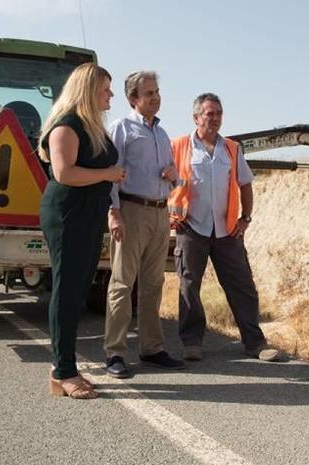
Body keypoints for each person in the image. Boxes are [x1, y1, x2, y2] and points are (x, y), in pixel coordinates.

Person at [169, 93, 281, 363]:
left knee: (242, 285)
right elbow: (163, 179)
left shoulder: (231, 148)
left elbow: (245, 184)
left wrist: (246, 218)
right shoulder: (179, 145)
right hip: (191, 228)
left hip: (227, 231)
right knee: (189, 286)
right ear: (196, 118)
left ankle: (255, 343)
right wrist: (169, 213)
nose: (216, 118)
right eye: (210, 114)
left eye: (219, 113)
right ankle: (192, 342)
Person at [38, 63, 126, 399]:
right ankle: (62, 372)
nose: (111, 95)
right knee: (67, 292)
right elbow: (65, 173)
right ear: (88, 90)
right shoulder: (67, 125)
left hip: (88, 215)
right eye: (106, 89)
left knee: (76, 290)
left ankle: (65, 366)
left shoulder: (93, 127)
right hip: (68, 215)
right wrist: (107, 175)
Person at [104, 71, 185, 378]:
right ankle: (115, 352)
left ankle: (152, 348)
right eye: (149, 93)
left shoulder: (162, 135)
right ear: (133, 99)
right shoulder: (121, 129)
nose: (156, 97)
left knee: (153, 284)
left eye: (157, 92)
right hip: (131, 209)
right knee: (122, 283)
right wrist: (114, 213)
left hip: (160, 212)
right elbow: (112, 173)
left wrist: (173, 175)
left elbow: (173, 174)